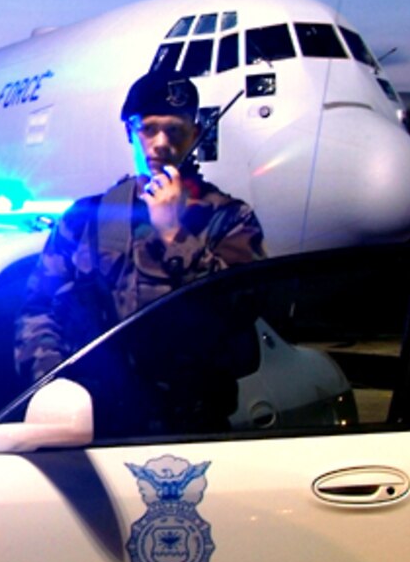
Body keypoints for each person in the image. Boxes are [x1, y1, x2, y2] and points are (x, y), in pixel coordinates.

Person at [15, 71, 265, 383]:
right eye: (149, 129)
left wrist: (175, 237)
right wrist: (52, 384)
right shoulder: (85, 219)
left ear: (196, 135)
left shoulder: (229, 220)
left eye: (175, 131)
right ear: (130, 132)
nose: (161, 144)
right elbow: (37, 309)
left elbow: (241, 308)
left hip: (193, 419)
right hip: (94, 414)